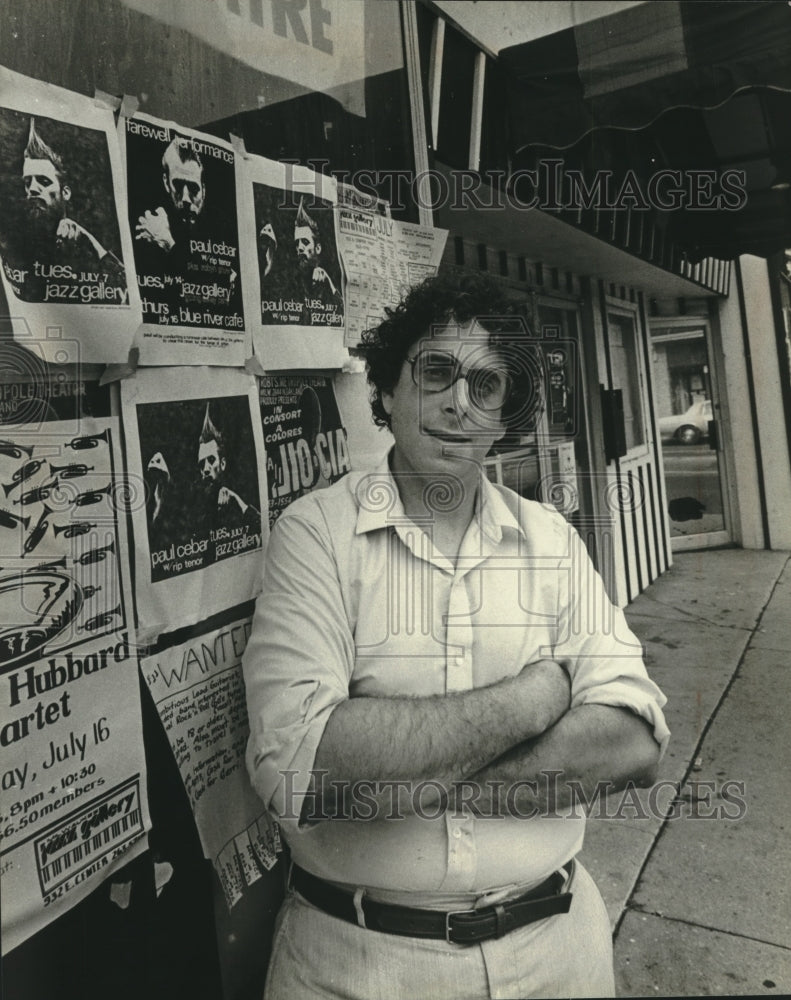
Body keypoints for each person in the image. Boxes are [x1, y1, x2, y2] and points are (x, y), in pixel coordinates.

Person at [243, 272, 670, 1000]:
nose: (456, 403)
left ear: (506, 414)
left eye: (485, 384)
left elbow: (632, 741)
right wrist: (534, 700)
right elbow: (306, 776)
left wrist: (407, 778)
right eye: (435, 371)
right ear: (386, 391)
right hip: (360, 962)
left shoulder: (550, 540)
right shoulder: (315, 535)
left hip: (557, 953)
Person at [4, 119, 124, 299]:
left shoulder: (85, 248)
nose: (33, 189)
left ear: (65, 192)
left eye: (44, 181)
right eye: (28, 182)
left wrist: (91, 243)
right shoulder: (13, 245)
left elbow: (123, 288)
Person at [196, 404, 260, 534]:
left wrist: (239, 503)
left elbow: (264, 528)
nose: (206, 469)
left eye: (211, 460)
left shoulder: (236, 507)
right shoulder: (197, 517)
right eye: (201, 464)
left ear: (223, 464)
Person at [293, 197, 342, 323]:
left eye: (305, 242)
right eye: (297, 243)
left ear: (318, 248)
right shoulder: (293, 285)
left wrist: (329, 284)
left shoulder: (327, 284)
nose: (299, 248)